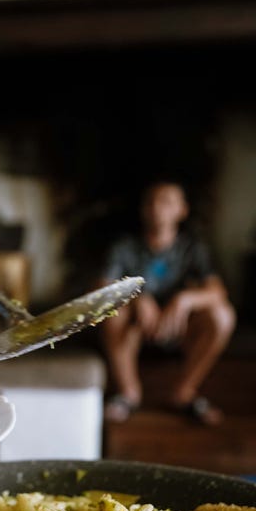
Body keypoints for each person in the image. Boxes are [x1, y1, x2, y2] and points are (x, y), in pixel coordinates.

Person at [98, 181, 235, 426]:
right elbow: (100, 290)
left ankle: (184, 392)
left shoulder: (192, 248)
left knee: (222, 315)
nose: (157, 208)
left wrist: (184, 300)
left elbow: (218, 292)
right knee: (113, 311)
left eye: (166, 202)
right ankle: (128, 394)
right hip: (135, 328)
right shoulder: (124, 246)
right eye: (151, 201)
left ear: (182, 210)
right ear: (142, 209)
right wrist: (136, 296)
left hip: (179, 327)